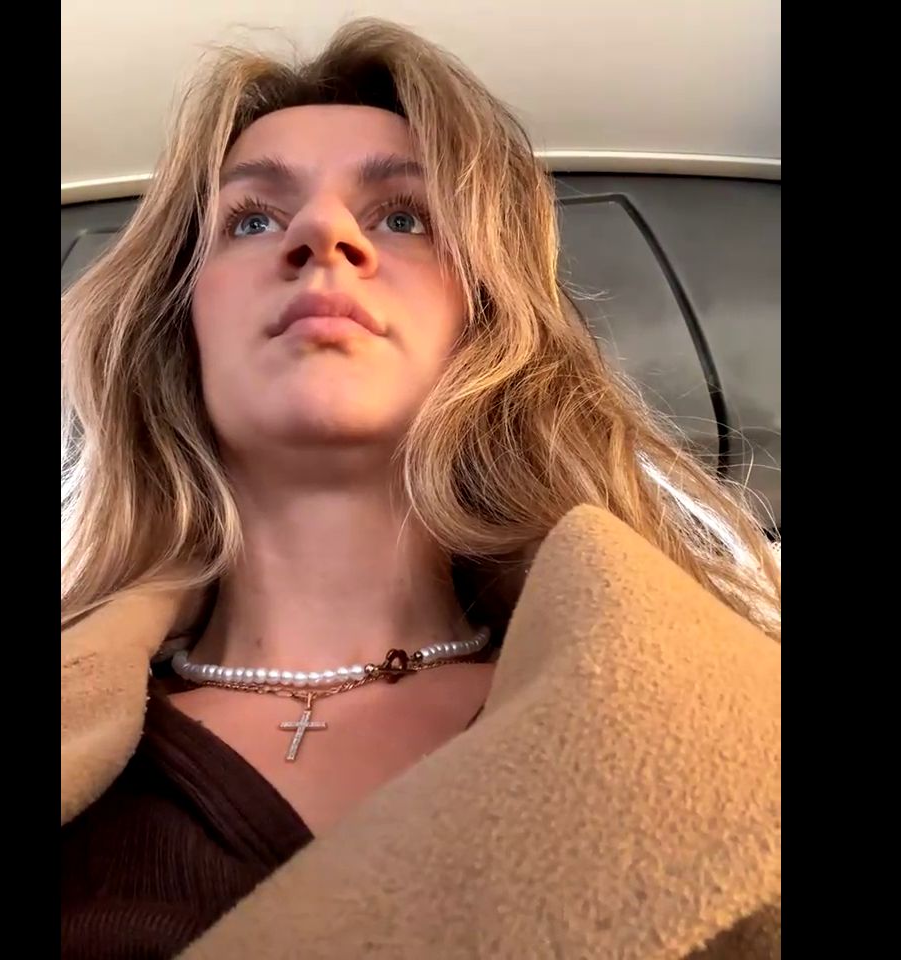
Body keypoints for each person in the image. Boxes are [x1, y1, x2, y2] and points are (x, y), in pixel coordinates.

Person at [61, 18, 780, 959]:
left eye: (403, 217)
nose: (323, 233)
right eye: (252, 219)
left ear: (486, 323)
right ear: (179, 328)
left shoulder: (709, 708)